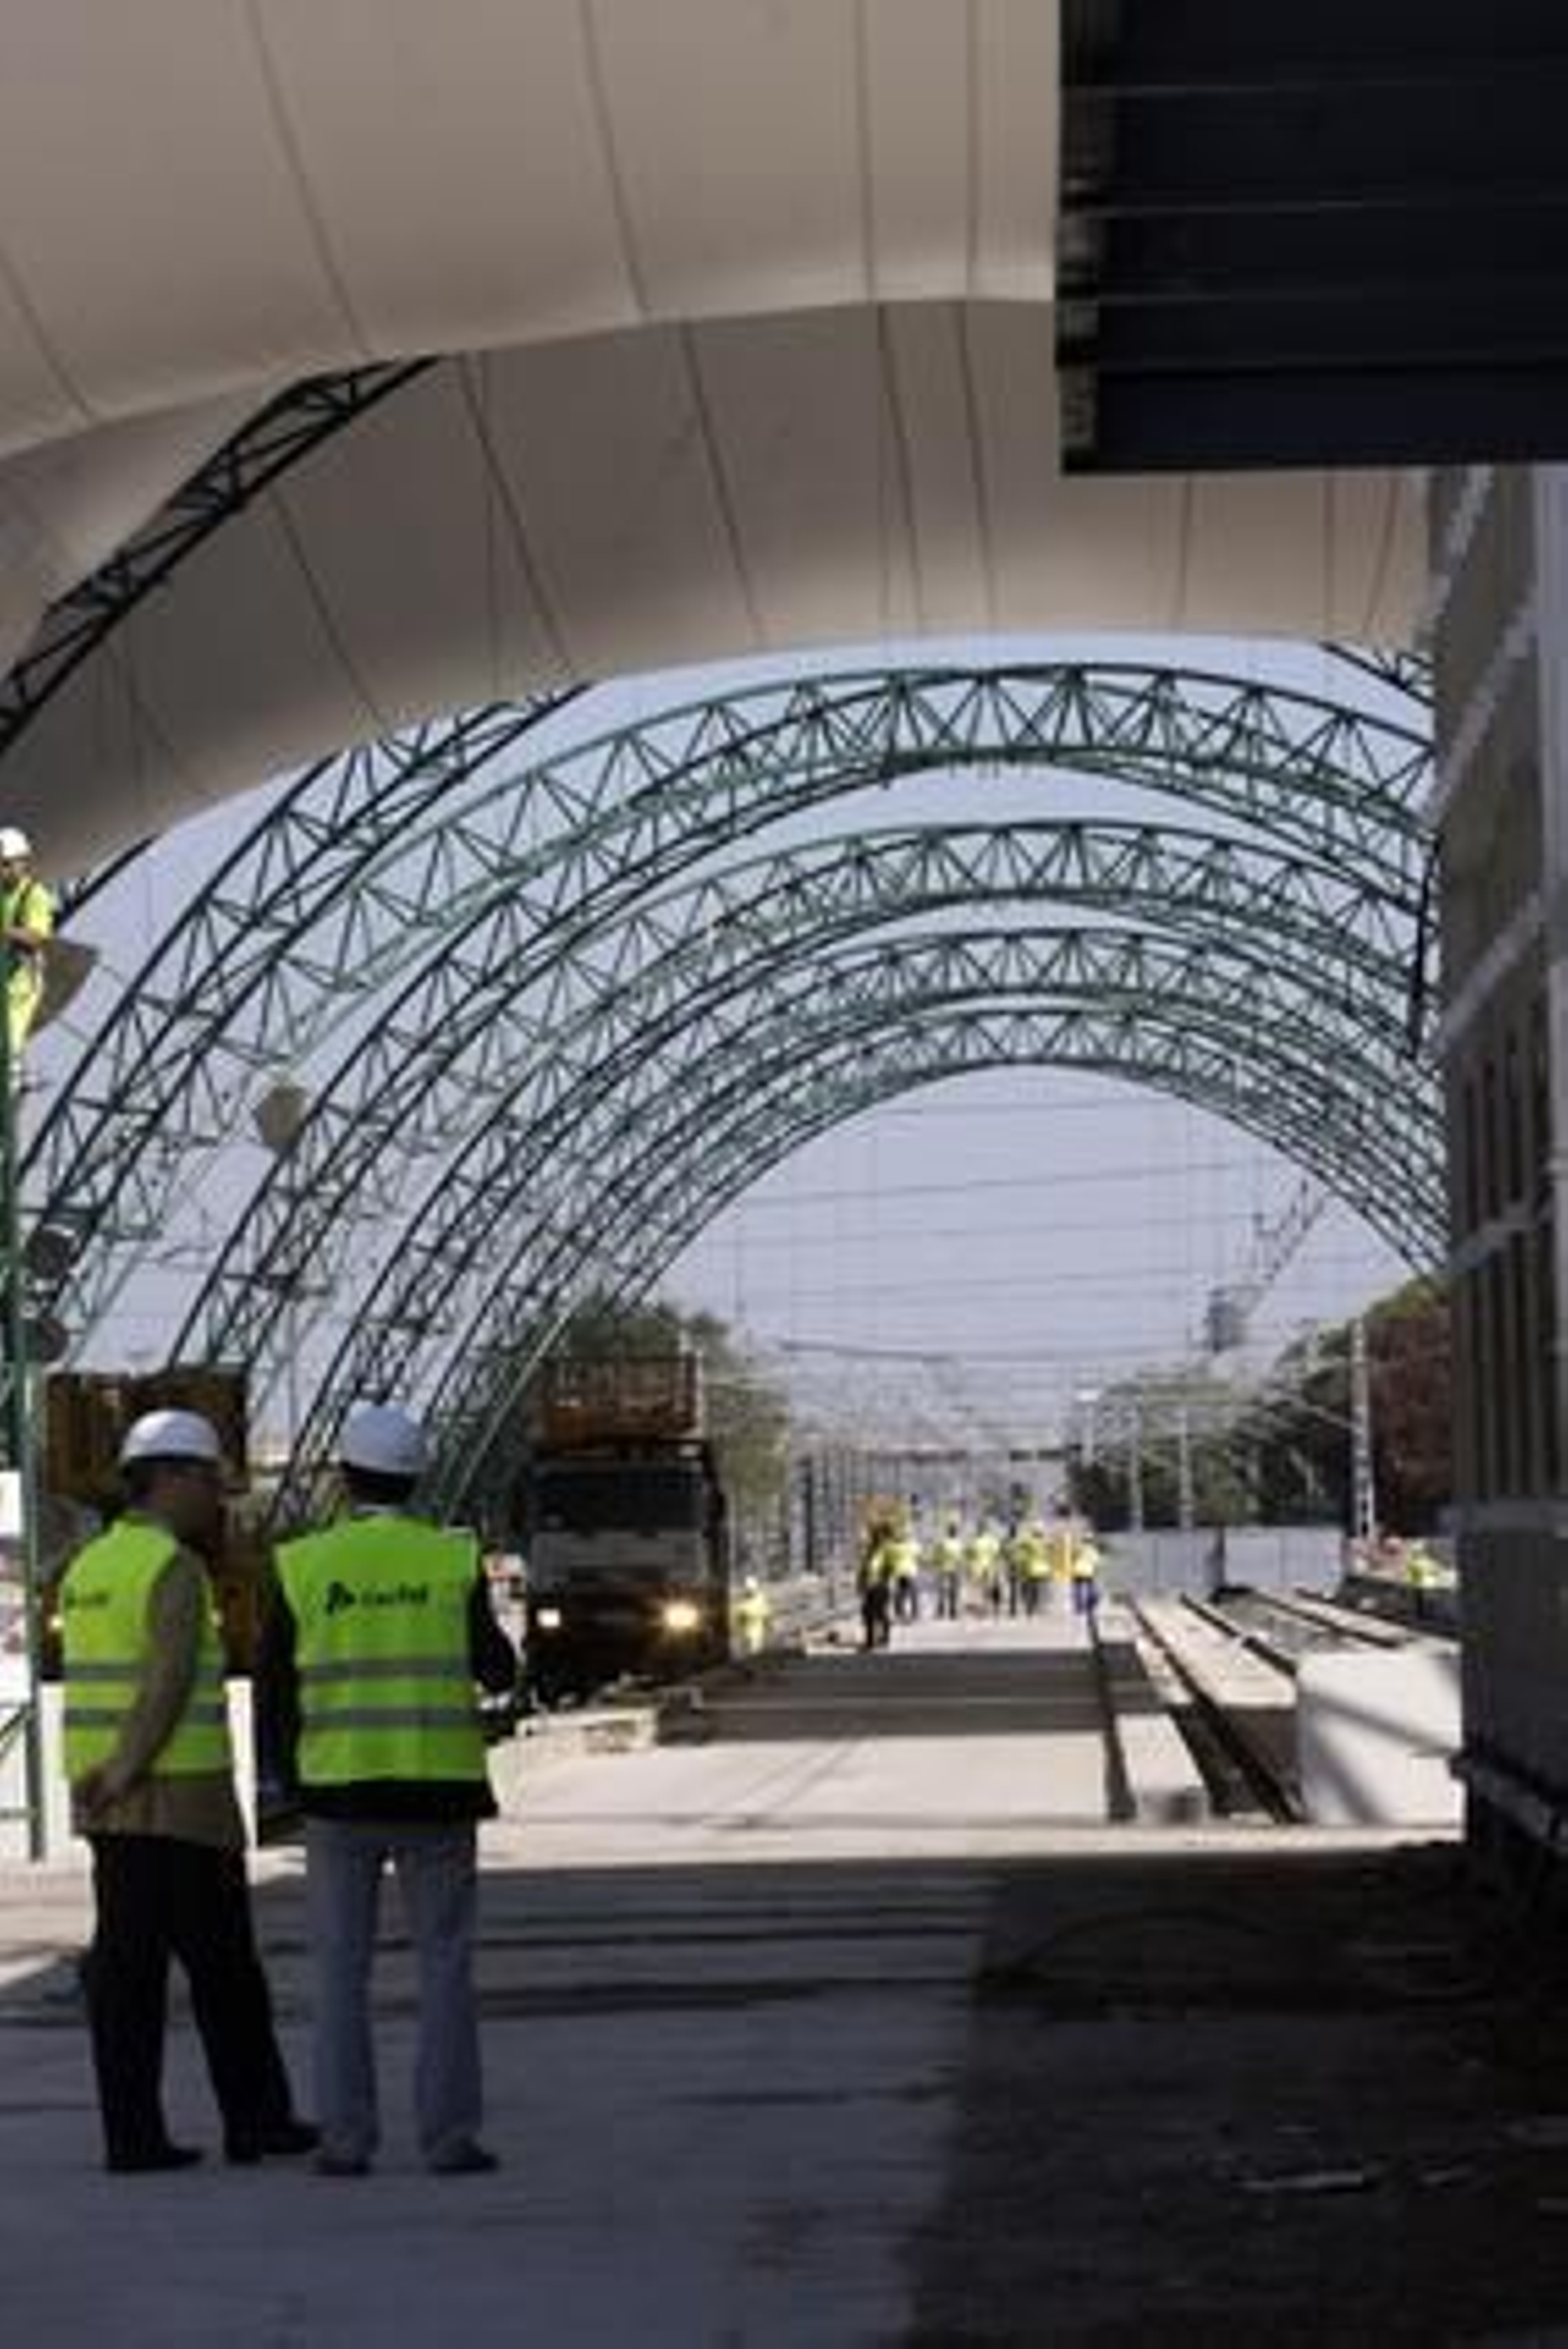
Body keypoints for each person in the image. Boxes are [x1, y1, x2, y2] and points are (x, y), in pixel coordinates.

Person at [257, 1400, 517, 2178]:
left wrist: (285, 1782)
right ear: (418, 1478)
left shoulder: (301, 1564)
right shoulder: (451, 1559)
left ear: (345, 1477)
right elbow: (497, 1669)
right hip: (439, 1794)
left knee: (339, 1971)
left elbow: (274, 1690)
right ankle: (449, 2138)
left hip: (338, 1795)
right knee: (445, 1966)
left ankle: (345, 2139)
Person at [59, 1407, 314, 2174]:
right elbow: (166, 1683)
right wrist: (129, 1767)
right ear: (169, 1477)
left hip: (108, 1807)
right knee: (226, 1972)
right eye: (207, 1479)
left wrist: (107, 1781)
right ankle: (256, 2119)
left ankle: (132, 2134)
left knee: (126, 1974)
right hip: (177, 1801)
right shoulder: (171, 1567)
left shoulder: (89, 1567)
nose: (215, 1495)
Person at [0, 825, 53, 1071]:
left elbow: (37, 937)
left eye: (6, 864)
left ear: (22, 862)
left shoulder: (34, 894)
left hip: (20, 984)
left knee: (10, 1041)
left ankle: (13, 1075)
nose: (2, 870)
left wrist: (5, 932)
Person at [857, 1518, 897, 1651]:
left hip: (880, 1584)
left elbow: (891, 1567)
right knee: (868, 1612)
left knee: (878, 1612)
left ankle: (880, 1639)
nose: (874, 1536)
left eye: (876, 1534)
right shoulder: (871, 1549)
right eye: (874, 1534)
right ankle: (872, 1640)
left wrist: (883, 1580)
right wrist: (861, 1581)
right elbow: (864, 1567)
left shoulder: (887, 1548)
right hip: (870, 1584)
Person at [732, 1573, 773, 1658]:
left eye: (751, 1589)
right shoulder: (741, 1601)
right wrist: (738, 1631)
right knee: (748, 1654)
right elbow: (737, 1618)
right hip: (746, 1633)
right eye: (748, 1589)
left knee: (755, 1653)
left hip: (757, 1633)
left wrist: (769, 1626)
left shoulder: (761, 1598)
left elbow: (767, 1614)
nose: (750, 1591)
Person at [933, 1521, 963, 1621]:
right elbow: (960, 1557)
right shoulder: (957, 1543)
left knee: (945, 1591)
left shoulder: (944, 1542)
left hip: (946, 1568)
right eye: (954, 1531)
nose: (955, 1532)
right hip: (950, 1568)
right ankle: (950, 1611)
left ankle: (944, 1611)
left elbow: (937, 1554)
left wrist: (936, 1563)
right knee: (950, 1591)